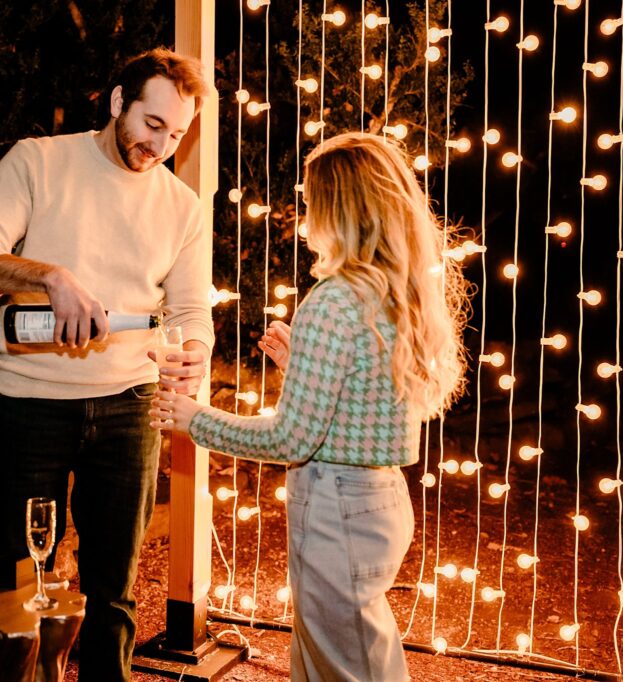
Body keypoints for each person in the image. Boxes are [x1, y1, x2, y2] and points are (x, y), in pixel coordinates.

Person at [150, 132, 468, 682]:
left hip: (336, 509)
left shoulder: (334, 299)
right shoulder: (397, 292)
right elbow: (363, 403)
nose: (306, 220)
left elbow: (290, 441)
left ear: (340, 209)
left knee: (346, 670)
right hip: (381, 501)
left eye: (313, 204)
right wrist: (301, 364)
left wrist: (193, 420)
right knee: (348, 661)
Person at [0, 48, 214, 681]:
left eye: (177, 135)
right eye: (153, 125)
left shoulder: (182, 207)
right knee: (20, 577)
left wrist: (195, 350)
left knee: (114, 589)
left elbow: (191, 311)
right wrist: (49, 276)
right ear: (118, 101)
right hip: (29, 404)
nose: (162, 146)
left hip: (130, 406)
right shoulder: (38, 160)